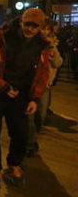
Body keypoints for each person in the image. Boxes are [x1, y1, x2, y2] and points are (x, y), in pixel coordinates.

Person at [0, 8, 52, 187]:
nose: (30, 29)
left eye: (35, 26)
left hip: (20, 95)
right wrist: (2, 86)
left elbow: (43, 74)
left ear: (41, 27)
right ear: (21, 21)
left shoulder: (42, 45)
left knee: (21, 133)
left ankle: (14, 164)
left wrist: (34, 98)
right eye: (28, 24)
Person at [26, 18, 62, 157]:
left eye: (48, 29)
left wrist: (53, 56)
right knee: (29, 115)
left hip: (45, 85)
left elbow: (59, 63)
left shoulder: (52, 45)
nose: (45, 31)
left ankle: (33, 137)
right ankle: (29, 143)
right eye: (43, 28)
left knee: (41, 115)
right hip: (30, 83)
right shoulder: (32, 42)